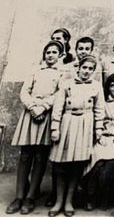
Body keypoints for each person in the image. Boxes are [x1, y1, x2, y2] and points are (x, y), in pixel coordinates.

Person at [6, 41, 64, 215]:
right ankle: (19, 196)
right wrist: (32, 107)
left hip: (46, 114)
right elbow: (25, 91)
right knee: (25, 156)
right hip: (30, 114)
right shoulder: (35, 70)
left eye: (54, 52)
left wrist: (43, 107)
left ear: (60, 55)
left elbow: (59, 94)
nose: (50, 55)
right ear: (44, 54)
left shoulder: (62, 73)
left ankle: (31, 197)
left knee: (40, 156)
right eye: (48, 52)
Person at [48, 55, 105, 217]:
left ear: (94, 71)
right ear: (78, 68)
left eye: (90, 69)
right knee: (60, 164)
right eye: (84, 68)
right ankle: (58, 201)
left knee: (76, 164)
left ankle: (68, 201)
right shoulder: (67, 84)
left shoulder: (96, 86)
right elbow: (58, 106)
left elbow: (99, 109)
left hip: (85, 125)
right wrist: (55, 127)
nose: (86, 71)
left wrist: (98, 128)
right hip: (67, 123)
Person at [86, 73, 114, 211]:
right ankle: (91, 196)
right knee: (97, 163)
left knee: (111, 164)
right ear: (108, 86)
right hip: (102, 136)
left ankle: (106, 197)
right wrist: (98, 134)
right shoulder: (102, 100)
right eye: (113, 85)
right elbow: (96, 119)